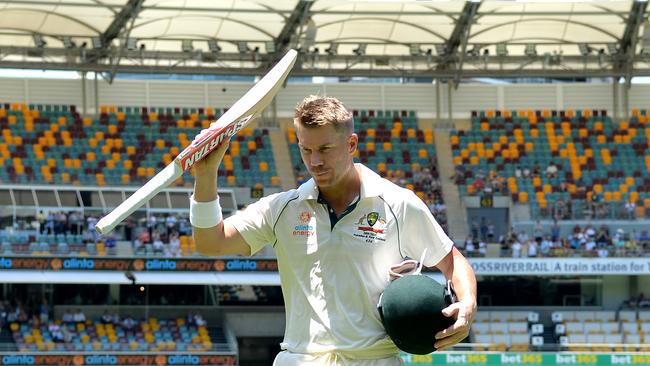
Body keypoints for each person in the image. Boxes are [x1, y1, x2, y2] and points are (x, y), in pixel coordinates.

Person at [192, 96, 477, 365]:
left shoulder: (398, 203)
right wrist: (206, 175)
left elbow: (453, 261)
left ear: (351, 144)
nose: (315, 161)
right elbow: (210, 242)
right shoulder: (281, 209)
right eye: (306, 150)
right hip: (301, 358)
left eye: (325, 149)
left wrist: (467, 304)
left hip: (374, 359)